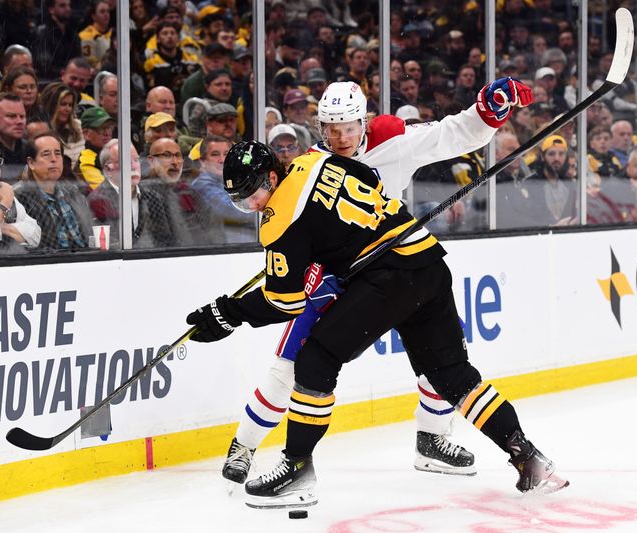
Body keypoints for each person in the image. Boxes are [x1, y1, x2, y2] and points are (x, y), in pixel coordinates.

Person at [185, 139, 567, 508]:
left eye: (253, 194)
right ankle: (530, 460)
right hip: (427, 259)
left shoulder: (279, 220)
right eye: (241, 200)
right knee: (452, 375)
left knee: (314, 361)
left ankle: (297, 470)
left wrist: (227, 313)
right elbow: (370, 181)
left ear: (271, 177)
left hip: (390, 277)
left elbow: (284, 302)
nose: (252, 205)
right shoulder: (314, 160)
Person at [213, 78, 536, 486]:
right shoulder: (312, 160)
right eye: (332, 128)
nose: (341, 137)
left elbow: (449, 135)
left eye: (349, 127)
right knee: (291, 363)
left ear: (364, 122)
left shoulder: (391, 139)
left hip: (387, 265)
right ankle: (245, 444)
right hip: (330, 275)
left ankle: (432, 438)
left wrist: (487, 113)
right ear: (320, 126)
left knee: (434, 357)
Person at [14, 132, 93, 251]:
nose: (54, 159)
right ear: (31, 163)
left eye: (58, 153)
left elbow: (90, 232)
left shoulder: (73, 191)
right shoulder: (18, 197)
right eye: (46, 154)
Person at [189, 135, 255, 244]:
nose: (222, 160)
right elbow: (234, 210)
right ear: (202, 161)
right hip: (224, 252)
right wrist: (264, 207)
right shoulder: (201, 185)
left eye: (226, 154)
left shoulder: (231, 182)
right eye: (215, 154)